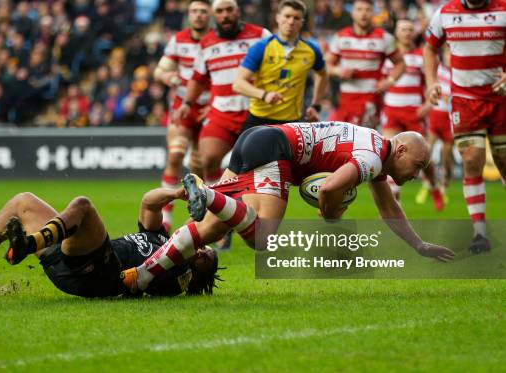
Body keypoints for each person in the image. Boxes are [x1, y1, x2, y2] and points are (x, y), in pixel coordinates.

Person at [121, 121, 456, 293]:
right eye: (418, 165)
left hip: (259, 138)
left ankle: (140, 276)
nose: (416, 174)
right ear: (400, 151)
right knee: (263, 237)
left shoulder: (374, 148)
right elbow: (329, 188)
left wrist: (419, 244)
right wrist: (330, 213)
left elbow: (388, 210)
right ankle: (206, 194)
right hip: (276, 149)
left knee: (212, 228)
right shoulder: (371, 158)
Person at [0, 188, 220, 297]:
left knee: (82, 206)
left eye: (205, 255)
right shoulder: (160, 239)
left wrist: (186, 274)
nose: (202, 246)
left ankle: (26, 246)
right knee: (23, 202)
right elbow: (148, 202)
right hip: (73, 258)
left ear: (196, 270)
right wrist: (179, 192)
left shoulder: (174, 272)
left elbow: (154, 286)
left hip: (98, 272)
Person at [423, 0, 506, 253]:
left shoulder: (503, 9)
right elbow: (429, 48)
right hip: (465, 101)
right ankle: (480, 234)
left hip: (501, 99)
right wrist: (431, 82)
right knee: (471, 160)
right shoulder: (445, 13)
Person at [173, 0, 271, 186]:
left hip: (256, 111)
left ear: (238, 11)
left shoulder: (260, 35)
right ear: (213, 14)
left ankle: (252, 207)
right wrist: (187, 103)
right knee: (208, 159)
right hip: (222, 113)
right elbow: (198, 77)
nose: (225, 15)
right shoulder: (207, 43)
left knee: (259, 167)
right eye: (220, 11)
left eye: (229, 10)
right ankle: (219, 206)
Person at [154, 0, 212, 231]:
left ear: (210, 15)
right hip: (182, 107)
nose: (198, 15)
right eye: (194, 11)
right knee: (176, 154)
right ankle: (165, 220)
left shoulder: (217, 42)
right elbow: (160, 70)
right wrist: (168, 78)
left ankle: (200, 220)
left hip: (209, 109)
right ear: (189, 15)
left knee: (199, 165)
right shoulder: (179, 40)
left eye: (202, 12)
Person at [233, 0, 328, 130]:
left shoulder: (311, 50)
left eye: (296, 18)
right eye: (287, 16)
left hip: (291, 123)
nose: (291, 21)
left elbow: (322, 74)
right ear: (278, 18)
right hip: (259, 119)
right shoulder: (262, 47)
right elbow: (238, 84)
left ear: (302, 22)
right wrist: (264, 95)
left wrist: (316, 105)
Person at [380, 18, 444, 210]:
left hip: (414, 112)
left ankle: (433, 186)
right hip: (392, 111)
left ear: (414, 33)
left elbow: (430, 84)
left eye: (410, 29)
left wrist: (427, 105)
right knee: (389, 155)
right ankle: (395, 202)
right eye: (403, 29)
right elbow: (381, 83)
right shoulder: (388, 58)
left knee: (425, 159)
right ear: (396, 33)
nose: (407, 32)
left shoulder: (420, 56)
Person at [326, 0, 406, 128]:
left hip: (371, 100)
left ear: (373, 13)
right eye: (359, 9)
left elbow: (401, 64)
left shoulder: (384, 38)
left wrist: (389, 81)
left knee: (363, 143)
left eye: (368, 10)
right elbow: (326, 66)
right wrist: (339, 71)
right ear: (352, 13)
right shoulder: (340, 37)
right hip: (344, 99)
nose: (363, 14)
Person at [425, 46, 454, 201]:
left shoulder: (458, 73)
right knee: (426, 151)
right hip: (436, 116)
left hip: (450, 120)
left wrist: (447, 96)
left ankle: (445, 182)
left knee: (446, 158)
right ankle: (430, 184)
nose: (448, 56)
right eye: (446, 52)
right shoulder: (437, 68)